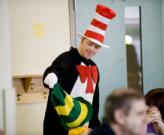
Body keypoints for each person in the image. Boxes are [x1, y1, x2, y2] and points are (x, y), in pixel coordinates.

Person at [42, 4, 116, 135]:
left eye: (97, 47)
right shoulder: (66, 58)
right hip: (60, 126)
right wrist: (51, 75)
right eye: (90, 44)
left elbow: (95, 99)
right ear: (82, 40)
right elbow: (54, 72)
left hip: (83, 127)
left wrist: (94, 124)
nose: (92, 49)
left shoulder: (94, 67)